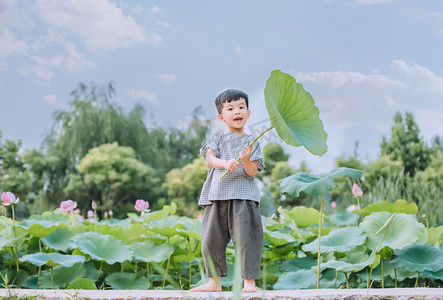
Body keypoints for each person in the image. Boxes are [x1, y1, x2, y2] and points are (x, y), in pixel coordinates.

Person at [190, 89, 264, 293]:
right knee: (210, 239)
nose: (237, 111)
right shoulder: (217, 136)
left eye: (241, 107)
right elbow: (209, 159)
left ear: (248, 113)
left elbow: (252, 172)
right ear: (221, 116)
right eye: (231, 108)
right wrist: (225, 163)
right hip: (216, 196)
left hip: (244, 197)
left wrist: (246, 159)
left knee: (247, 239)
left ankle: (249, 282)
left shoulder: (253, 141)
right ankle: (214, 282)